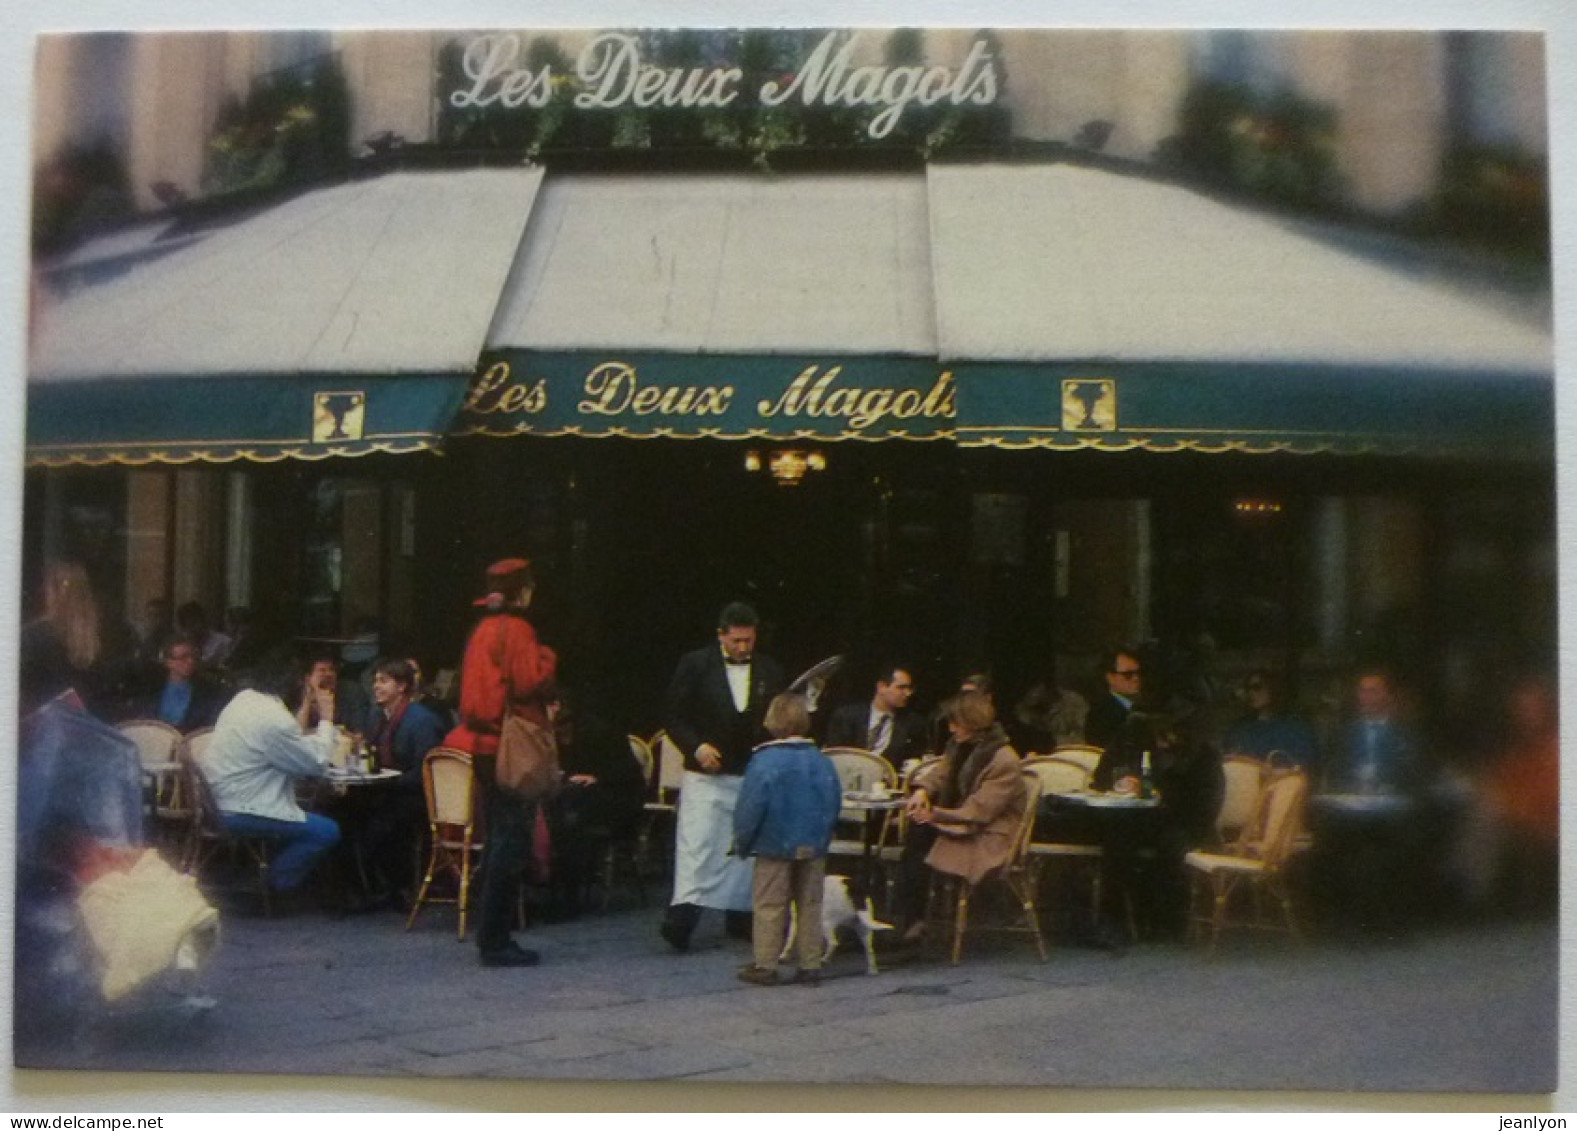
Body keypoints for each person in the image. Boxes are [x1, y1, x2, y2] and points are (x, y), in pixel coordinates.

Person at [442, 558, 558, 968]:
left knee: (496, 840)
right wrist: (547, 657)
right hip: (509, 746)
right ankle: (496, 939)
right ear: (521, 591)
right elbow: (529, 683)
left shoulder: (482, 629)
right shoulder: (519, 630)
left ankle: (489, 932)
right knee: (512, 842)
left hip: (482, 744)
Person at [658, 601, 786, 952]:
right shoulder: (695, 664)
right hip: (706, 776)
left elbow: (779, 718)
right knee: (698, 846)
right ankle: (682, 920)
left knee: (745, 851)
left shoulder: (770, 670)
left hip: (749, 772)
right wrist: (696, 746)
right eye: (736, 641)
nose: (743, 648)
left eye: (748, 641)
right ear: (720, 636)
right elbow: (673, 714)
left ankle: (741, 916)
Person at [196, 648, 340, 898]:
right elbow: (314, 763)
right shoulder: (273, 719)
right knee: (326, 831)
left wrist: (306, 705)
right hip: (245, 809)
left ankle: (265, 878)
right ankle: (274, 885)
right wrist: (326, 720)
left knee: (306, 814)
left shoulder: (243, 700)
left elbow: (288, 741)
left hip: (217, 803)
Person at [733, 693, 844, 986]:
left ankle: (766, 964)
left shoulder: (763, 761)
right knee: (810, 903)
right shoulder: (822, 760)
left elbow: (750, 807)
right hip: (814, 843)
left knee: (770, 904)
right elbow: (834, 802)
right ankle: (810, 963)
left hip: (773, 842)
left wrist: (742, 842)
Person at [897, 689, 1026, 942]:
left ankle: (912, 921)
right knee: (917, 833)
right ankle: (911, 920)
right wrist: (922, 790)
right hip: (962, 822)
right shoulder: (959, 746)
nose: (951, 728)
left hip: (988, 833)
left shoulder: (1003, 759)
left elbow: (979, 810)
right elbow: (941, 773)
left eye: (955, 722)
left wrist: (935, 814)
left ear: (972, 722)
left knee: (920, 835)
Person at [546, 687, 648, 920]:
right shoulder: (549, 735)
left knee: (571, 817)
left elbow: (628, 773)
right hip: (580, 796)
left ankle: (569, 896)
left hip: (618, 798)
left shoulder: (598, 731)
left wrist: (597, 778)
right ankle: (552, 888)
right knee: (558, 811)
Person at [356, 657, 449, 908]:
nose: (376, 686)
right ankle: (360, 886)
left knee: (381, 822)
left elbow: (426, 770)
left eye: (384, 681)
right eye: (375, 680)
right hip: (384, 790)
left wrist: (388, 783)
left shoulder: (422, 721)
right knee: (344, 810)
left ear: (402, 687)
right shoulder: (376, 716)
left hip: (416, 795)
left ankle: (394, 887)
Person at [20, 560, 111, 717]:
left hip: (44, 727)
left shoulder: (34, 635)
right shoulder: (100, 636)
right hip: (89, 726)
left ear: (52, 593)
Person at [824, 662, 928, 769]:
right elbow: (834, 756)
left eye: (909, 688)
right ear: (881, 687)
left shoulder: (913, 724)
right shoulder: (846, 716)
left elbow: (914, 760)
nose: (907, 693)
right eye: (901, 688)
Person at [1221, 669, 1319, 772]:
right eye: (1248, 688)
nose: (1251, 693)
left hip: (1282, 782)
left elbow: (1302, 765)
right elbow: (1229, 758)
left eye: (1257, 687)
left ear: (1273, 688)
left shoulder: (1295, 727)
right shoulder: (1240, 728)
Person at [138, 632, 227, 732]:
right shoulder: (151, 690)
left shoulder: (209, 692)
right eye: (183, 657)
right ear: (168, 662)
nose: (190, 661)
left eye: (193, 656)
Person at [1012, 663, 1088, 752]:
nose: (1028, 694)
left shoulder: (1074, 702)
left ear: (1045, 686)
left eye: (1033, 688)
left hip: (1073, 755)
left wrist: (1052, 742)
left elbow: (1080, 739)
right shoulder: (1022, 710)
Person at [1085, 646, 1144, 751]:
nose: (1136, 678)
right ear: (1110, 678)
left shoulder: (1143, 707)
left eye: (1138, 673)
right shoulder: (1101, 713)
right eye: (1128, 675)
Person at [300, 652, 371, 731]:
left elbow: (359, 733)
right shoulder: (301, 695)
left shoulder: (352, 693)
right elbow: (295, 733)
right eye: (322, 671)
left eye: (332, 669)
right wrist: (307, 702)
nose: (329, 674)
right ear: (308, 678)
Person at [175, 601, 233, 669]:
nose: (193, 629)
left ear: (203, 620)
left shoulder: (223, 642)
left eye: (195, 622)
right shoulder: (180, 646)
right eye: (188, 626)